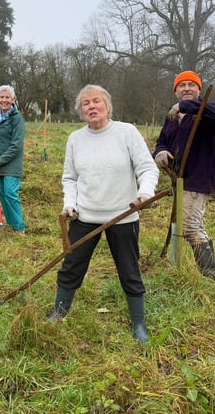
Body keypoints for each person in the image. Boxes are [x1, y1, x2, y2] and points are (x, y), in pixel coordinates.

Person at [50, 84, 159, 344]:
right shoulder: (75, 139)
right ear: (80, 111)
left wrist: (145, 192)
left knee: (129, 270)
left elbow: (147, 169)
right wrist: (70, 203)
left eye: (96, 101)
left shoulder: (126, 133)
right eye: (85, 103)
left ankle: (138, 324)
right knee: (71, 266)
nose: (91, 107)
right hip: (85, 216)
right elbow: (70, 177)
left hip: (123, 216)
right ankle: (59, 312)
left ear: (107, 105)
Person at [154, 70, 215, 280]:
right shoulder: (172, 117)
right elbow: (162, 141)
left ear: (199, 89)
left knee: (189, 227)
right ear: (176, 90)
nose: (186, 88)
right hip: (178, 178)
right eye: (182, 85)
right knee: (186, 224)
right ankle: (179, 268)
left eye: (191, 85)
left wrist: (184, 106)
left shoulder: (207, 113)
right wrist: (160, 152)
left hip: (197, 178)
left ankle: (210, 276)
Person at [0, 85, 26, 235]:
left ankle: (19, 227)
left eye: (7, 97)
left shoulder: (17, 119)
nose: (4, 100)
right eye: (2, 97)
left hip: (11, 164)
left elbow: (16, 146)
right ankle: (11, 224)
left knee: (10, 193)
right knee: (2, 194)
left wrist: (0, 160)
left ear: (12, 99)